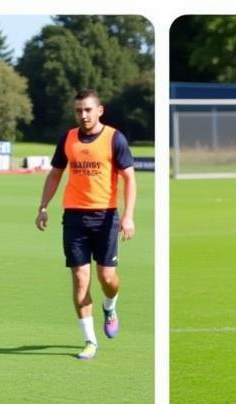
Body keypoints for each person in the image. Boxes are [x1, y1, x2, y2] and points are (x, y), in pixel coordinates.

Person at [35, 89, 137, 360]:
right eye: (79, 110)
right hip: (74, 218)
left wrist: (128, 216)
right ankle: (90, 340)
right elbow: (55, 174)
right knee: (81, 279)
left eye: (88, 110)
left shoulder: (115, 138)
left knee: (107, 278)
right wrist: (43, 207)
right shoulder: (67, 139)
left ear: (99, 110)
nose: (83, 115)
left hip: (105, 217)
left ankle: (110, 305)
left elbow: (129, 179)